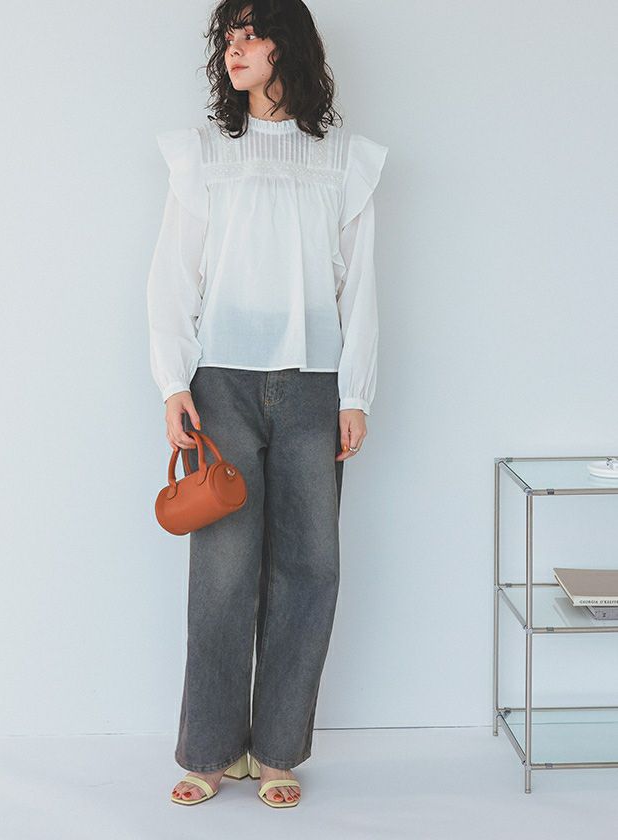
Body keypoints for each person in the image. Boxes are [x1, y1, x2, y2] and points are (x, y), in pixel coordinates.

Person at [146, 0, 388, 808]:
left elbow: (361, 288)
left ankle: (278, 751)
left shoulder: (344, 160)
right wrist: (173, 381)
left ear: (289, 44)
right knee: (222, 571)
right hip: (222, 383)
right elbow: (172, 275)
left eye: (251, 33)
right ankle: (211, 750)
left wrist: (356, 393)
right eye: (228, 36)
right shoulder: (205, 155)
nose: (234, 48)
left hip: (315, 386)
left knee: (308, 568)